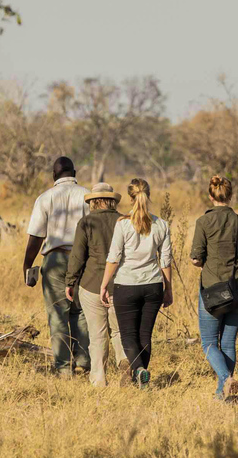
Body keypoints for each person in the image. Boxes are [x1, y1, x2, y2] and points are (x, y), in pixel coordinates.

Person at [100, 178, 173, 388]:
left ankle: (139, 370)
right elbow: (165, 261)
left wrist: (104, 284)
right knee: (145, 335)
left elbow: (114, 258)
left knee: (128, 336)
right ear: (148, 196)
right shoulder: (162, 224)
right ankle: (141, 378)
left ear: (130, 198)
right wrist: (168, 289)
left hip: (126, 285)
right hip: (153, 286)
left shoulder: (123, 224)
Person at [190, 176, 238, 400]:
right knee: (228, 342)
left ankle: (226, 380)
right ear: (231, 196)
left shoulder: (203, 222)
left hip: (212, 290)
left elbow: (196, 259)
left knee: (209, 343)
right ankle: (222, 394)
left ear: (211, 196)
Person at [23, 157, 91, 378]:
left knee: (57, 314)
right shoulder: (87, 195)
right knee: (81, 311)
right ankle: (84, 362)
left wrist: (27, 264)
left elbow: (36, 236)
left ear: (54, 175)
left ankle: (63, 368)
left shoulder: (45, 198)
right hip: (82, 259)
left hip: (54, 260)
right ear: (75, 172)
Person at [65, 183, 129, 387]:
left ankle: (99, 379)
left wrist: (70, 281)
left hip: (92, 284)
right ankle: (124, 362)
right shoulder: (124, 220)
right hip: (121, 284)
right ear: (112, 200)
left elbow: (77, 256)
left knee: (97, 334)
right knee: (120, 331)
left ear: (93, 202)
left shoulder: (86, 222)